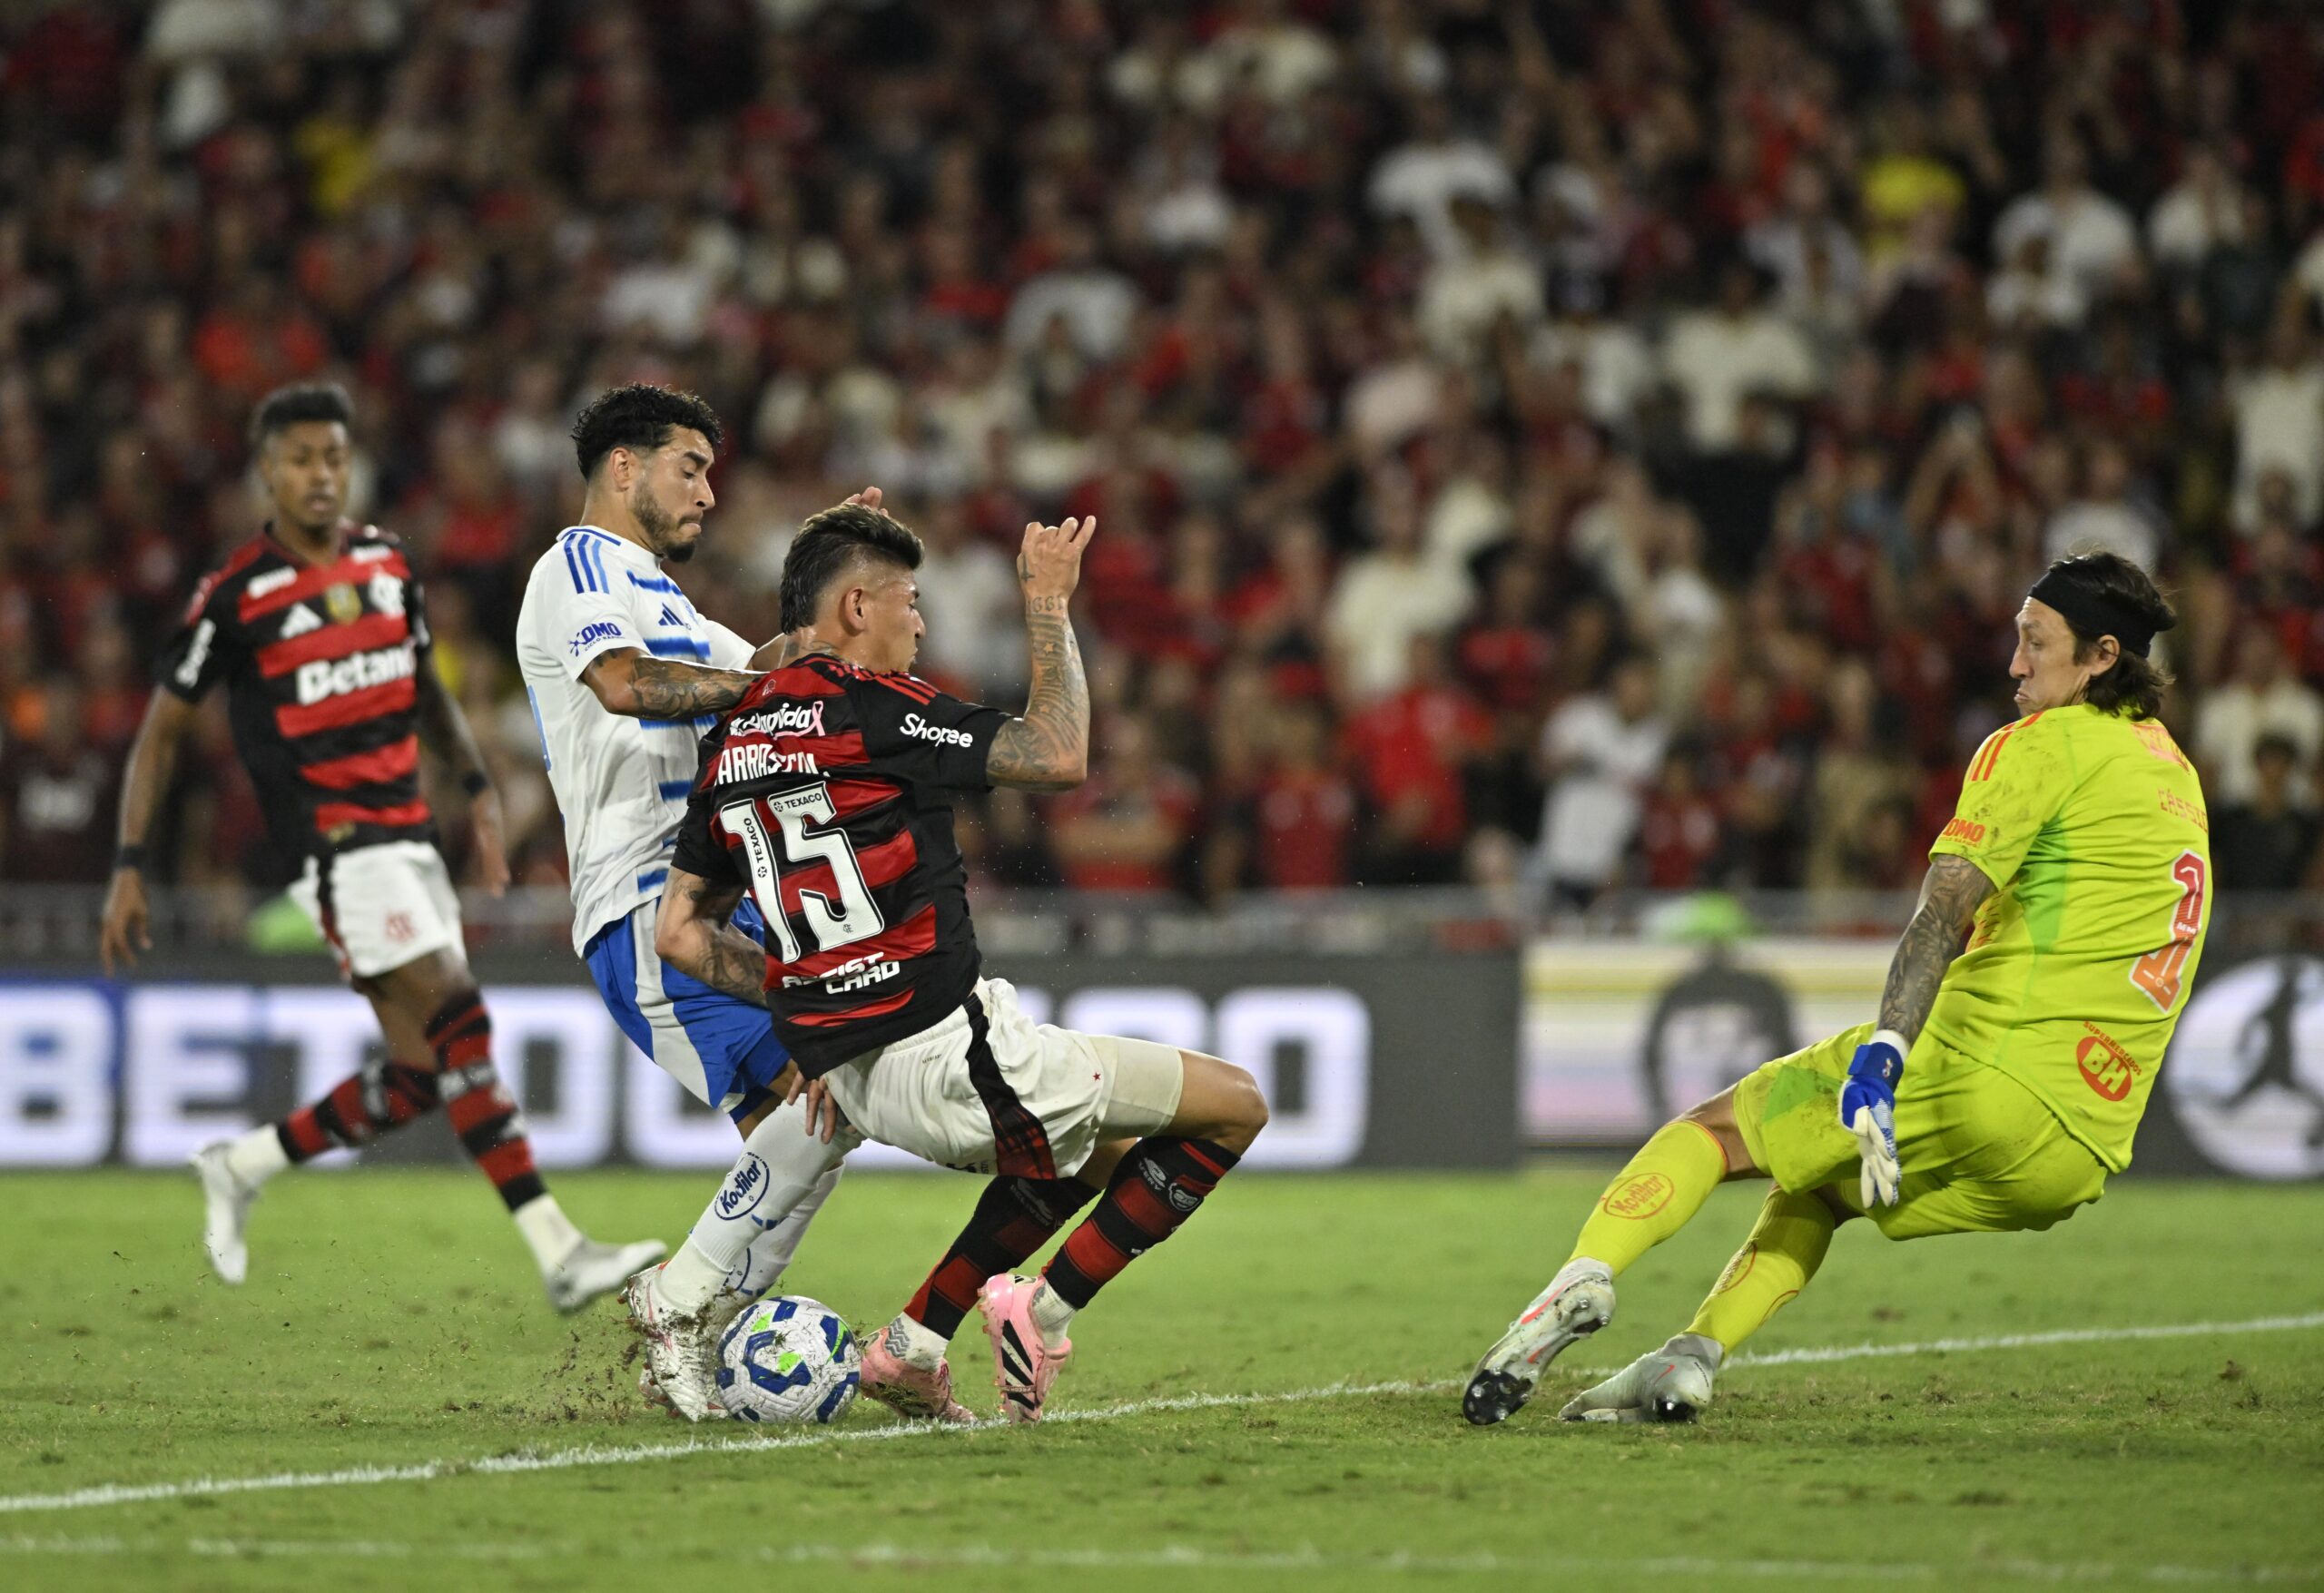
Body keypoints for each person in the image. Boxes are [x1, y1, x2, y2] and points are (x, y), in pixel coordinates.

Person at [1464, 552, 2208, 1424]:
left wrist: (1885, 1056)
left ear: (2101, 655)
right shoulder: (2176, 778)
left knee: (1715, 1129)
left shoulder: (2042, 743)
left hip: (1988, 1067)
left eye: (2035, 643)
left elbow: (1942, 913)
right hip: (2079, 1149)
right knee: (1816, 1186)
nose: (2013, 665)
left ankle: (1578, 1278)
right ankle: (1690, 1359)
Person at [513, 385, 1085, 1427]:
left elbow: (769, 670)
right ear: (625, 468)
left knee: (818, 1117)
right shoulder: (581, 568)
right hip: (652, 899)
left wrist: (833, 609)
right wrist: (774, 686)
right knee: (814, 1107)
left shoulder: (673, 603)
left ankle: (698, 1324)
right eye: (690, 465)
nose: (708, 489)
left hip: (734, 892)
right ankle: (680, 1312)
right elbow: (625, 684)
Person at [654, 503, 1267, 1422]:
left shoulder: (735, 737)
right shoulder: (875, 710)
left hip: (857, 1078)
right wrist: (1049, 606)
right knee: (1234, 1108)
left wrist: (811, 1017)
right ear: (857, 607)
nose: (922, 622)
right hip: (951, 1055)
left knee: (1097, 1153)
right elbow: (1057, 755)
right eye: (909, 601)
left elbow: (680, 932)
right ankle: (1043, 1311)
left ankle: (912, 1349)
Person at [100, 381, 664, 1310]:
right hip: (339, 850)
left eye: (333, 456)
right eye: (299, 459)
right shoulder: (238, 596)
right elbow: (162, 732)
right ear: (266, 473)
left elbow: (424, 688)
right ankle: (559, 1249)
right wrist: (129, 867)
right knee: (459, 1016)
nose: (320, 475)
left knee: (419, 1075)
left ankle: (241, 1162)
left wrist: (477, 786)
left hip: (409, 837)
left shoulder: (386, 565)